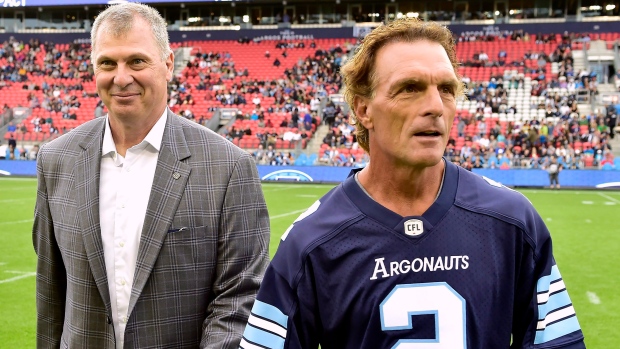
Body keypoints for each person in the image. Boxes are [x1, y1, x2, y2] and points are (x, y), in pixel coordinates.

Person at [240, 18, 585, 349]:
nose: (435, 106)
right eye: (410, 88)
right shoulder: (310, 241)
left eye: (447, 89)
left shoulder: (512, 220)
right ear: (363, 109)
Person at [33, 3, 270, 349]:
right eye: (108, 63)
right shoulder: (55, 160)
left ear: (168, 64)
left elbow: (239, 298)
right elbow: (50, 293)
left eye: (137, 61)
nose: (121, 77)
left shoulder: (228, 167)